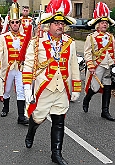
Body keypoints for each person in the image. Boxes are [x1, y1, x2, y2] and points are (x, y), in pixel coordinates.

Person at [22, 0, 81, 164]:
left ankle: (56, 153)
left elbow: (74, 66)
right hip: (44, 88)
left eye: (61, 23)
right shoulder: (36, 42)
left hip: (62, 88)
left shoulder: (70, 43)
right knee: (38, 118)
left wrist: (76, 88)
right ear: (49, 24)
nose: (59, 26)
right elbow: (28, 66)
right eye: (56, 23)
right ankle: (31, 132)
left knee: (59, 120)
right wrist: (27, 89)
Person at [83, 2, 115, 122]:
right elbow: (87, 52)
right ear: (97, 25)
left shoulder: (111, 37)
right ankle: (87, 99)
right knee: (94, 88)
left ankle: (105, 111)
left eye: (106, 23)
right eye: (102, 22)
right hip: (97, 66)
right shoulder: (91, 37)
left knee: (107, 88)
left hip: (109, 65)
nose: (105, 24)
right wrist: (90, 65)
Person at [0, 1, 29, 125]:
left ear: (19, 23)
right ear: (10, 24)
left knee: (21, 90)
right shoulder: (3, 37)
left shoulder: (25, 37)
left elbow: (29, 53)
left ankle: (21, 116)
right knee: (6, 90)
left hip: (20, 68)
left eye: (17, 22)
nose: (15, 24)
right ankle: (6, 107)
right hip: (7, 68)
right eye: (13, 22)